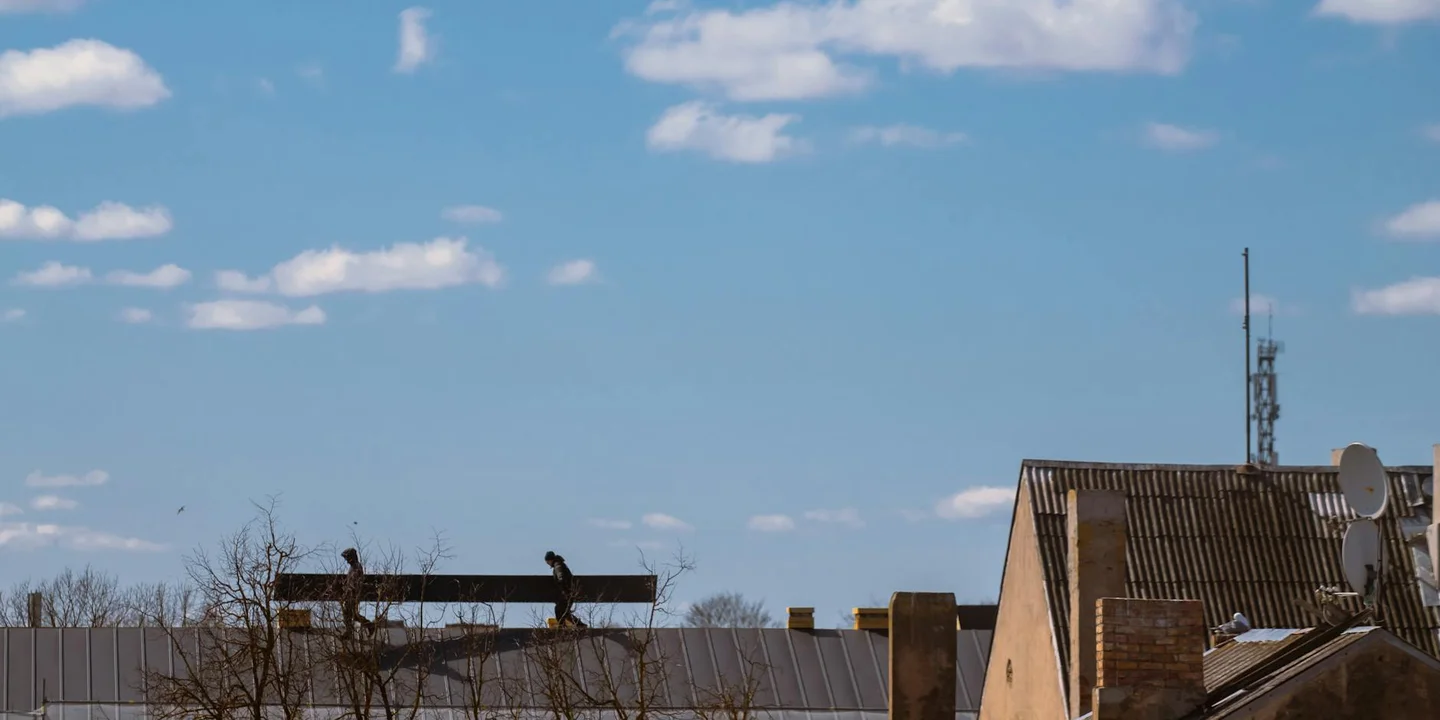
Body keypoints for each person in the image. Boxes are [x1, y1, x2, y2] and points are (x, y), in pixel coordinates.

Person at [544, 550, 587, 629]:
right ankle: (579, 625)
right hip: (569, 592)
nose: (547, 563)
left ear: (550, 560)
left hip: (566, 593)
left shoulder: (558, 565)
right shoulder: (560, 564)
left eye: (547, 562)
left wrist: (563, 588)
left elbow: (561, 577)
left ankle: (563, 627)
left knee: (559, 610)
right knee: (564, 612)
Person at [340, 547, 375, 633]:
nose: (347, 561)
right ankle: (369, 625)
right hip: (350, 594)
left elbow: (355, 582)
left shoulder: (356, 567)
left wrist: (350, 592)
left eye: (347, 558)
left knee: (349, 614)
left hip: (353, 595)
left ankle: (350, 630)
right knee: (352, 615)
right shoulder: (352, 568)